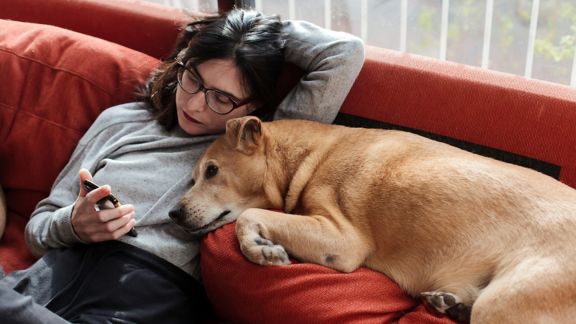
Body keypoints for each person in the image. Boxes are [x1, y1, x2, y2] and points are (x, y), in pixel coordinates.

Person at [0, 8, 364, 323]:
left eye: (222, 98)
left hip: (140, 297)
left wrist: (254, 32)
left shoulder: (258, 149)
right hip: (47, 280)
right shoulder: (120, 121)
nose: (195, 105)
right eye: (193, 79)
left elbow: (343, 53)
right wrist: (74, 224)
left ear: (252, 107)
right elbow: (37, 231)